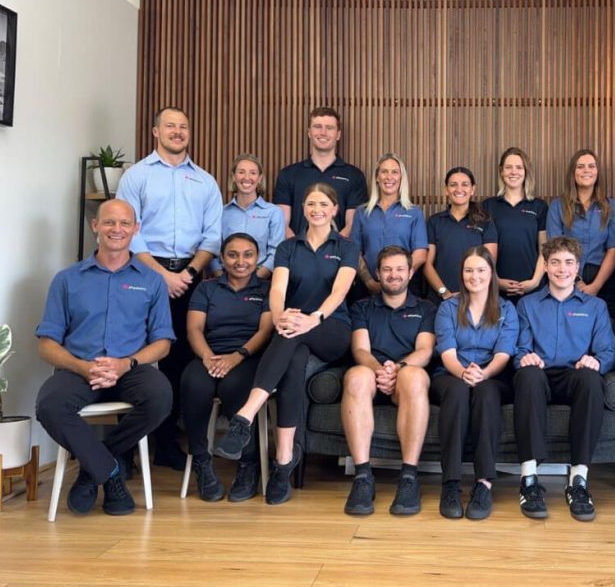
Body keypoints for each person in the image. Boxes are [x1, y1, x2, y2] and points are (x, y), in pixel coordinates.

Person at [213, 183, 357, 505]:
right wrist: (279, 317)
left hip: (332, 328)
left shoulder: (347, 247)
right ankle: (283, 462)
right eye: (310, 204)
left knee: (293, 333)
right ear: (303, 209)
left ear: (334, 209)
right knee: (293, 359)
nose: (317, 209)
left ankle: (244, 416)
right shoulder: (288, 247)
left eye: (323, 204)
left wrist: (313, 318)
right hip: (294, 329)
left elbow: (339, 292)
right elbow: (277, 291)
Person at [35, 199, 174, 516]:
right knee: (49, 405)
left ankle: (93, 466)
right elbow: (46, 345)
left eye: (125, 223)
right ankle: (110, 473)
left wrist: (126, 364)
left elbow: (163, 343)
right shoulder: (67, 280)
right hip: (79, 368)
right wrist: (82, 366)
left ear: (136, 229)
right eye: (109, 222)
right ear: (95, 225)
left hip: (130, 368)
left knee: (161, 397)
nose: (117, 229)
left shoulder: (151, 280)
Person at [117, 106, 222, 469]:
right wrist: (162, 274)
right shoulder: (136, 176)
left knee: (178, 360)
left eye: (183, 126)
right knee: (135, 355)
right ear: (155, 131)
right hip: (143, 272)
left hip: (189, 277)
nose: (178, 131)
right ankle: (126, 448)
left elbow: (213, 235)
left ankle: (166, 443)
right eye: (170, 126)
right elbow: (129, 230)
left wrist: (188, 273)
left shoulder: (205, 181)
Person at [513, 236, 615, 522]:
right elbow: (519, 348)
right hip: (540, 374)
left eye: (569, 263)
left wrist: (596, 361)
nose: (562, 269)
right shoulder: (527, 304)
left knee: (592, 380)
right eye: (555, 262)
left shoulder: (595, 306)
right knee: (527, 376)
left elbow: (608, 351)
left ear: (578, 267)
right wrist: (524, 357)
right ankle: (529, 480)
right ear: (546, 267)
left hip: (575, 375)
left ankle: (578, 481)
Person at [341, 246, 436, 517]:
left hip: (405, 375)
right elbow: (360, 350)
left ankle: (408, 478)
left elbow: (425, 351)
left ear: (410, 272)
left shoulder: (426, 308)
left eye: (399, 269)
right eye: (387, 269)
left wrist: (398, 369)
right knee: (356, 376)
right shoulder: (362, 307)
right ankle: (362, 477)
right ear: (378, 273)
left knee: (414, 376)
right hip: (373, 375)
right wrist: (379, 370)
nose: (394, 275)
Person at [182, 233, 274, 502]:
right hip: (209, 356)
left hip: (248, 357)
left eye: (248, 255)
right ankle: (201, 461)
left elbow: (265, 331)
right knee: (193, 384)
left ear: (257, 259)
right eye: (232, 255)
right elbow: (194, 329)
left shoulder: (266, 289)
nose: (240, 261)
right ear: (222, 258)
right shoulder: (206, 288)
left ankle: (248, 464)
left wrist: (237, 356)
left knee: (236, 386)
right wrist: (208, 357)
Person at [432, 246, 518, 520]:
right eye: (469, 270)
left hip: (492, 375)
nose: (475, 276)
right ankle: (451, 484)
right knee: (457, 392)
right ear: (461, 274)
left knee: (486, 393)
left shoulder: (507, 309)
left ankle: (484, 484)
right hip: (451, 374)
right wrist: (462, 373)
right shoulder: (448, 307)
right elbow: (447, 352)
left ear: (492, 274)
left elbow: (504, 353)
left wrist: (484, 373)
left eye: (481, 270)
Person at [547, 149, 615, 339]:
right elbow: (555, 247)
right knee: (571, 336)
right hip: (567, 279)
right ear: (573, 172)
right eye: (580, 166)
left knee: (606, 338)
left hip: (605, 279)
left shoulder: (612, 207)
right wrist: (576, 281)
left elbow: (614, 250)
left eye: (591, 166)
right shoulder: (558, 206)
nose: (586, 170)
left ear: (598, 172)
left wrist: (596, 285)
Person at [273, 106, 368, 238]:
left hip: (339, 250)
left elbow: (352, 224)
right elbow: (281, 223)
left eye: (329, 128)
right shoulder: (288, 174)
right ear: (309, 132)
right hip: (296, 249)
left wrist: (333, 247)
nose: (323, 132)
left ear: (338, 134)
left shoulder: (354, 176)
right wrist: (299, 247)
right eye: (317, 127)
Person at [351, 153, 429, 296]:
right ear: (377, 177)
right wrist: (369, 282)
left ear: (401, 178)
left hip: (405, 289)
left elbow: (421, 254)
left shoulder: (414, 212)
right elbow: (354, 251)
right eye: (384, 172)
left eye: (394, 172)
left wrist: (399, 279)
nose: (389, 177)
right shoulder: (362, 212)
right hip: (367, 290)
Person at [483, 147, 547, 302]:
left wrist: (534, 282)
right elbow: (482, 252)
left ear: (526, 171)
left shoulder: (539, 206)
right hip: (496, 290)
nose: (514, 172)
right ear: (501, 171)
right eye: (508, 167)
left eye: (519, 167)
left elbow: (544, 249)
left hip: (533, 290)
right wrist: (495, 281)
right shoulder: (488, 206)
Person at [425, 167, 498, 302]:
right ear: (446, 189)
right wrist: (444, 292)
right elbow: (427, 264)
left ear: (472, 189)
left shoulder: (485, 222)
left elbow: (489, 264)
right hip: (440, 300)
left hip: (476, 300)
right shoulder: (434, 222)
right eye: (453, 185)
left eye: (465, 184)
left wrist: (470, 294)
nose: (459, 189)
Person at [212, 154, 284, 279]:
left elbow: (276, 252)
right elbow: (213, 249)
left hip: (261, 281)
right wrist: (222, 280)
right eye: (241, 172)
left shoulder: (273, 212)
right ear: (233, 177)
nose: (247, 177)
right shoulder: (220, 212)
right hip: (225, 281)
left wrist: (254, 281)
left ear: (260, 178)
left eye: (253, 173)